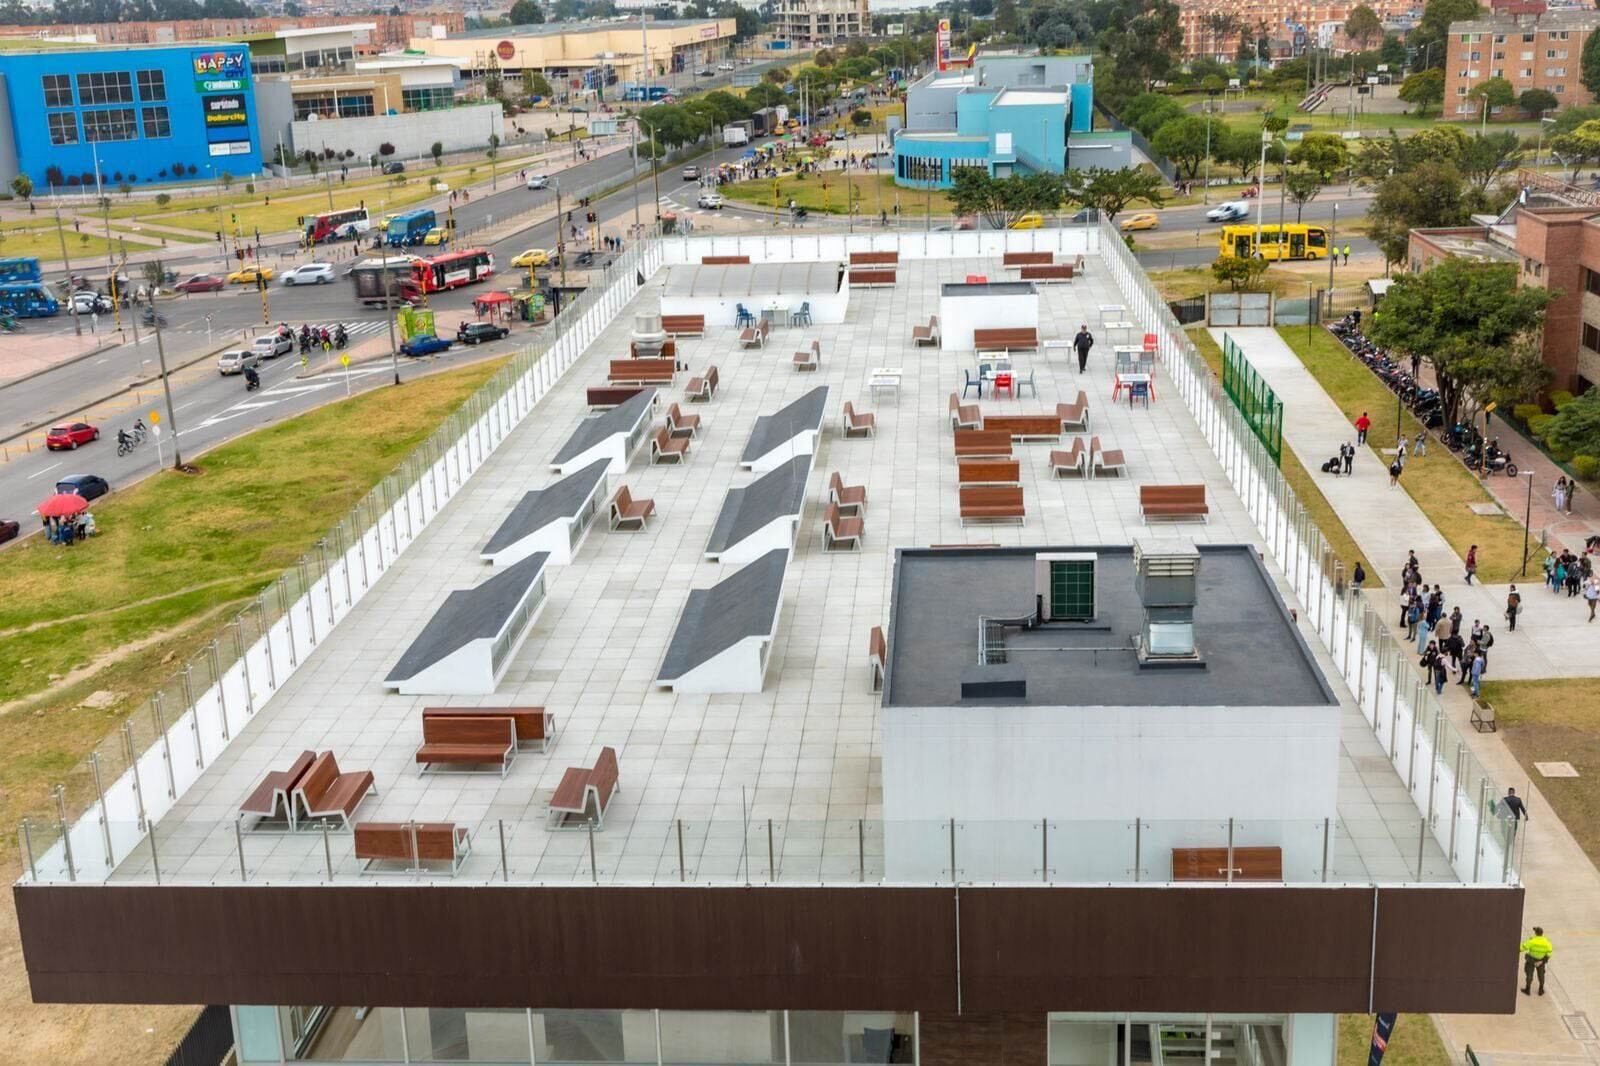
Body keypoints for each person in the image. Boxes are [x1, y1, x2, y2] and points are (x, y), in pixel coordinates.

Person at [1521, 927, 1554, 996]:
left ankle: (1528, 989)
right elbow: (1549, 953)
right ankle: (1541, 990)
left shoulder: (1532, 941)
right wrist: (1542, 961)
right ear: (1542, 933)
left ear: (1535, 933)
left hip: (1531, 960)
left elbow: (1522, 948)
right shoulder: (1547, 942)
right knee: (1541, 975)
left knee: (1529, 974)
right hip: (1541, 961)